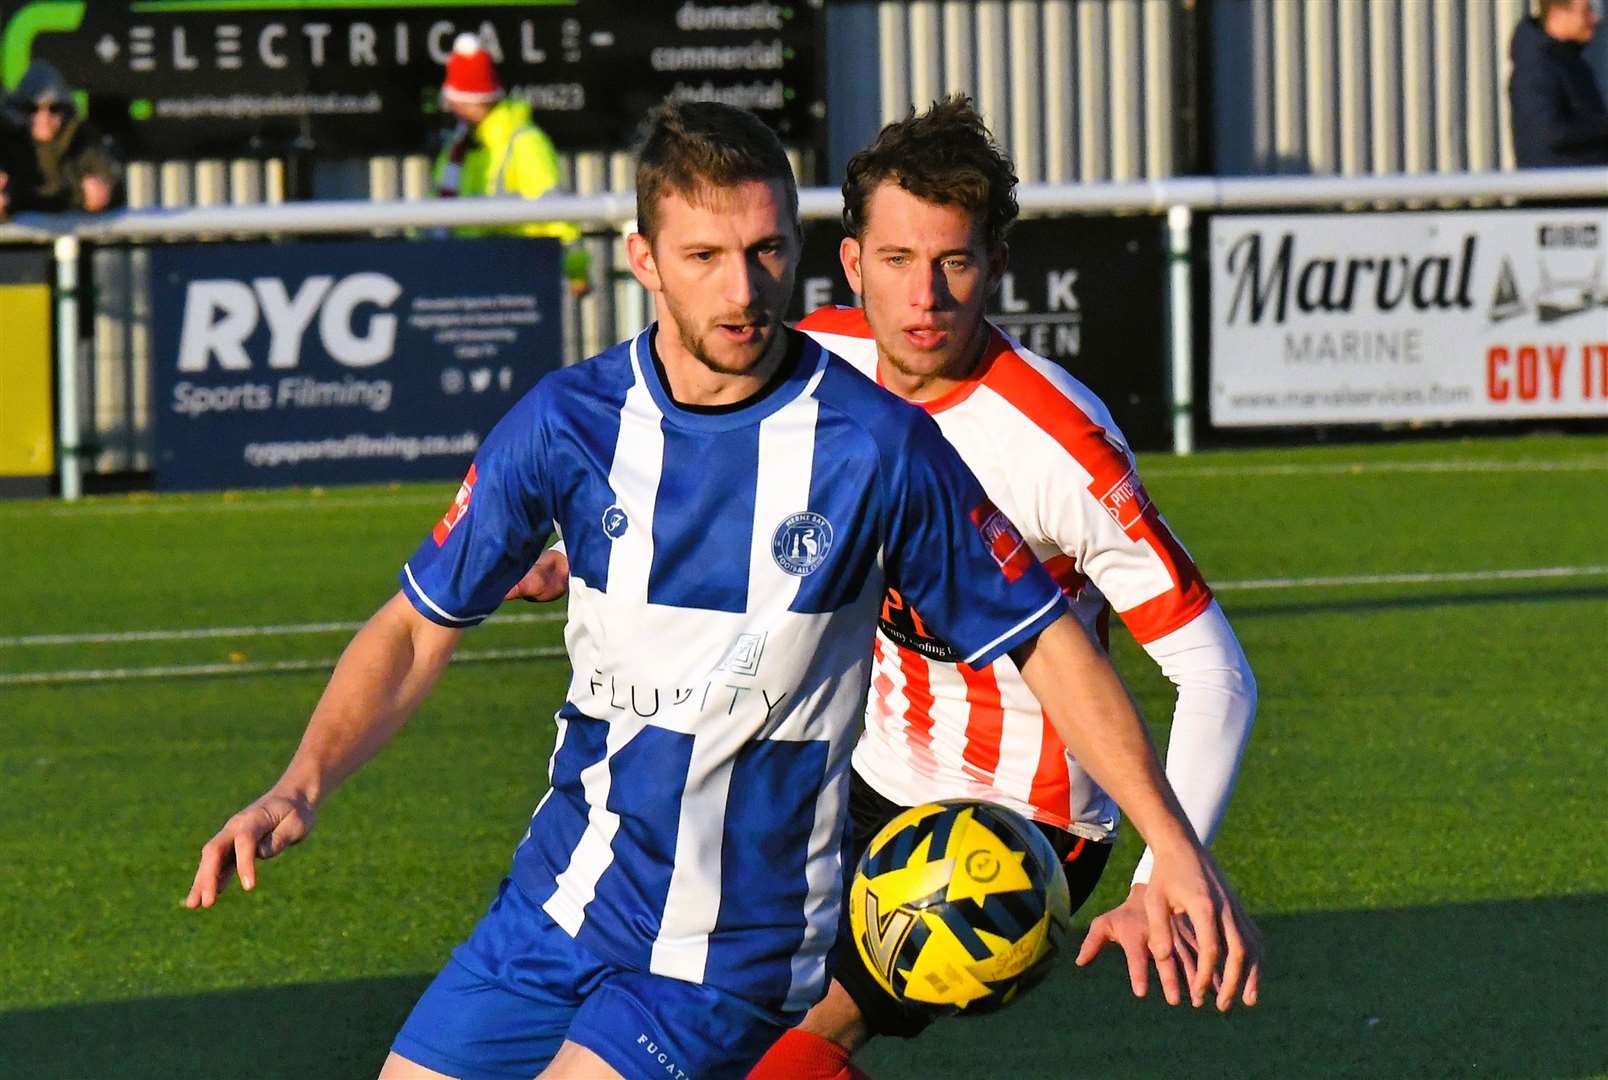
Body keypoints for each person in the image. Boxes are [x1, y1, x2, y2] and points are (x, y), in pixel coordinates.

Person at [187, 100, 1258, 1080]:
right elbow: (417, 628)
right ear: (644, 259)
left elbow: (1048, 643)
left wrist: (1173, 850)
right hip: (560, 898)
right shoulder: (567, 422)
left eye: (763, 254)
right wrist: (302, 781)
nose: (743, 290)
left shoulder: (880, 447)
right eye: (705, 256)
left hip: (734, 934)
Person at [742, 95, 1263, 1078]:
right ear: (853, 265)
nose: (925, 295)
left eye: (955, 262)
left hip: (1017, 827)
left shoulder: (1059, 448)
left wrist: (1162, 872)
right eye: (896, 261)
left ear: (997, 268)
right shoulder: (818, 362)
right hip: (862, 774)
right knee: (682, 1007)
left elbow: (1215, 672)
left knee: (788, 1045)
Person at [434, 32, 593, 297]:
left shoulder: (525, 142)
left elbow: (555, 213)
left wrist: (576, 272)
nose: (449, 105)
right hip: (462, 282)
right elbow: (434, 214)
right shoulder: (458, 146)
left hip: (519, 282)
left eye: (455, 97)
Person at [0, 60, 121, 214]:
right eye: (32, 108)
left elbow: (113, 180)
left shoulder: (83, 141)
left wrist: (104, 194)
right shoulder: (6, 144)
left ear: (66, 109)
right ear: (17, 111)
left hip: (79, 236)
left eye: (54, 108)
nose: (44, 117)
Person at [1509, 0, 1608, 167]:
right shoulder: (1536, 66)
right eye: (1586, 12)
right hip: (1558, 189)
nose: (1594, 19)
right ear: (1558, 14)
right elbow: (1549, 132)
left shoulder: (1569, 59)